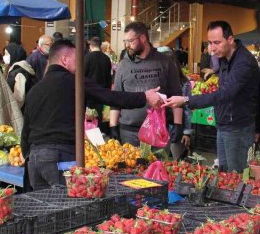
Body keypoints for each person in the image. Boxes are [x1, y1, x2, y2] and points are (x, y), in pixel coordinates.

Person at [21, 39, 164, 190]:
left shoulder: (34, 90)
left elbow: (26, 132)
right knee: (64, 206)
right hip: (61, 157)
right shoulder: (74, 82)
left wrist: (28, 155)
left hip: (34, 159)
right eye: (76, 59)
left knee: (43, 206)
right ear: (64, 59)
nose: (79, 65)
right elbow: (110, 97)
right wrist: (145, 97)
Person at [164, 21, 259, 173]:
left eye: (217, 42)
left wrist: (187, 100)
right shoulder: (224, 58)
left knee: (235, 175)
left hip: (237, 127)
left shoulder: (244, 62)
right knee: (223, 172)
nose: (213, 48)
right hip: (223, 123)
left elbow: (225, 93)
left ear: (230, 40)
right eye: (209, 43)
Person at [110, 22, 183, 148]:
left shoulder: (165, 62)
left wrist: (178, 124)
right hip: (128, 132)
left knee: (158, 167)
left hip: (157, 130)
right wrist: (113, 126)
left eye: (131, 40)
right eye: (125, 41)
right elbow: (116, 99)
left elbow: (176, 94)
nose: (127, 45)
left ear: (143, 38)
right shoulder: (123, 65)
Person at [84, 37, 113, 134]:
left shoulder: (86, 58)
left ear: (91, 46)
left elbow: (82, 77)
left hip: (89, 96)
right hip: (103, 95)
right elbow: (109, 77)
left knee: (90, 122)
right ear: (100, 46)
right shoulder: (106, 58)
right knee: (101, 121)